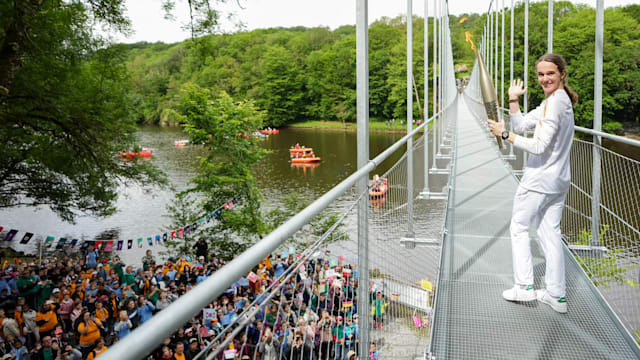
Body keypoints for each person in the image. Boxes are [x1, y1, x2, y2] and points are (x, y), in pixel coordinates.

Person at [488, 53, 578, 314]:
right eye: (540, 74)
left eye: (550, 73)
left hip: (539, 181)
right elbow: (523, 123)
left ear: (562, 73)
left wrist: (505, 135)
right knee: (550, 234)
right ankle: (556, 295)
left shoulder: (555, 104)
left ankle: (525, 287)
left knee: (518, 227)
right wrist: (513, 100)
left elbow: (538, 146)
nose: (544, 78)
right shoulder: (555, 101)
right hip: (558, 181)